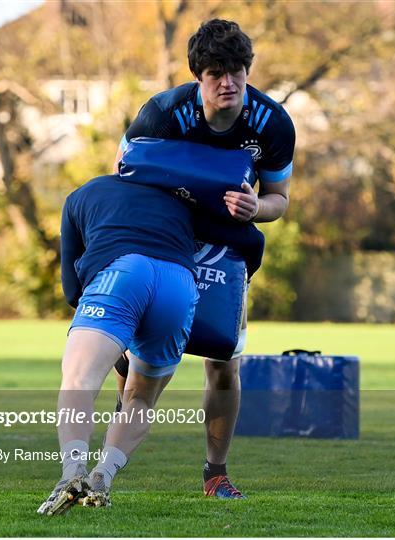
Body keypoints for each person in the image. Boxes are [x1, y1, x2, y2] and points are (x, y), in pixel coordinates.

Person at [113, 19, 295, 499]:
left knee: (223, 360)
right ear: (198, 75)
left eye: (236, 70)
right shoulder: (161, 115)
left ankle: (216, 474)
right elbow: (123, 183)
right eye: (216, 71)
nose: (228, 82)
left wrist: (257, 207)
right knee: (150, 364)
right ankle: (108, 468)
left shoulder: (272, 123)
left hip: (227, 249)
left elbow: (279, 199)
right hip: (162, 241)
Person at [38, 156, 265, 515]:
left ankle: (72, 471)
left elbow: (70, 289)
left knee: (80, 379)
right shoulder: (180, 198)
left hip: (122, 271)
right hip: (178, 285)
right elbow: (249, 239)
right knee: (140, 400)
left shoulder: (84, 194)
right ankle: (104, 475)